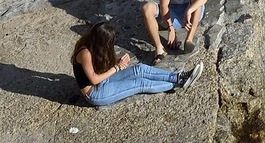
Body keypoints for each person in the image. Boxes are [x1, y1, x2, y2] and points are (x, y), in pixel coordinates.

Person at [72, 22, 203, 106]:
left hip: (103, 80)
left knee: (138, 69)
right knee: (139, 83)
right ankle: (179, 83)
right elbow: (94, 79)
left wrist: (118, 60)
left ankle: (178, 77)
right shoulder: (85, 53)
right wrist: (117, 67)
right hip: (95, 93)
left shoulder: (93, 45)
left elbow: (100, 65)